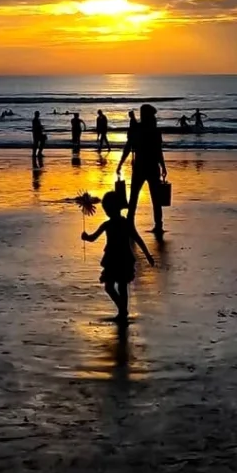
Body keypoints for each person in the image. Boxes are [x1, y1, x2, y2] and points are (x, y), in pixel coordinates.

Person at [81, 190, 154, 323]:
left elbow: (93, 238)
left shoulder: (109, 224)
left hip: (114, 258)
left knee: (113, 286)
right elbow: (138, 239)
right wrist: (147, 255)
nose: (107, 211)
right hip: (122, 257)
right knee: (120, 286)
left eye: (107, 209)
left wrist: (86, 237)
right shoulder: (123, 223)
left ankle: (122, 311)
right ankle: (122, 309)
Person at [116, 103, 167, 235]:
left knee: (134, 197)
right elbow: (158, 151)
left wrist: (120, 163)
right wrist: (163, 166)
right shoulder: (154, 131)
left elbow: (128, 147)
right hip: (151, 167)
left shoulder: (137, 129)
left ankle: (130, 222)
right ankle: (158, 225)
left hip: (140, 167)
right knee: (155, 198)